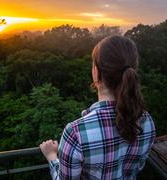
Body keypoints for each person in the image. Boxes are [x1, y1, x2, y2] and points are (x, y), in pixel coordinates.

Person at [39, 35, 156, 180]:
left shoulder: (76, 133)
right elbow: (138, 167)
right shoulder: (147, 121)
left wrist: (51, 156)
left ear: (96, 72)